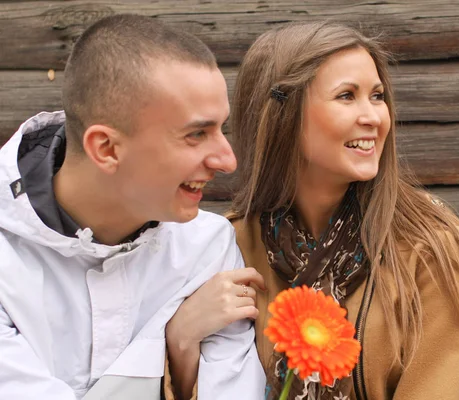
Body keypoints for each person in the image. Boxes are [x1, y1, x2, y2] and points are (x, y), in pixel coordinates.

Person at [0, 14, 265, 400]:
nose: (227, 161)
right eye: (196, 134)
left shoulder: (208, 247)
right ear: (106, 149)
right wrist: (174, 348)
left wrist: (178, 344)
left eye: (221, 129)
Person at [226, 22, 459, 399]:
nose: (375, 118)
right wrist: (183, 338)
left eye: (377, 97)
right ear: (283, 115)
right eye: (347, 96)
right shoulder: (232, 244)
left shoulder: (428, 244)